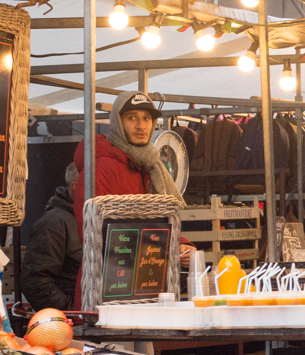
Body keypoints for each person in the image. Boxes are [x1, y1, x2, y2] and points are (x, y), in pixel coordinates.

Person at [70, 91, 192, 270]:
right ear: (118, 123)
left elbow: (157, 222)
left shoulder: (151, 166)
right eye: (131, 118)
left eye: (147, 118)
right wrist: (162, 247)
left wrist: (180, 244)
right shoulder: (101, 168)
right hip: (108, 283)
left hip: (147, 277)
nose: (141, 125)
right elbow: (93, 236)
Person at [19, 184, 81, 311]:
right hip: (69, 322)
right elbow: (35, 281)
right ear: (76, 187)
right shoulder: (53, 223)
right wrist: (71, 310)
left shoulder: (90, 216)